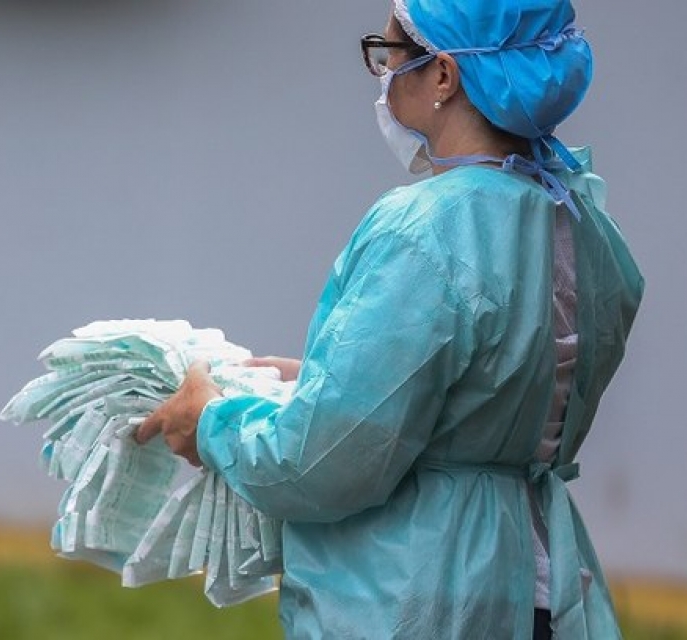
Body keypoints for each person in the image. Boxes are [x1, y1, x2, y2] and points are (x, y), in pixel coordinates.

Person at [136, 0, 643, 637]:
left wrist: (210, 422)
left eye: (392, 52)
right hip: (538, 582)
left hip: (419, 592)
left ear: (443, 77)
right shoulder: (583, 223)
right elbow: (507, 393)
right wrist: (327, 375)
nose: (383, 72)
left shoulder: (423, 230)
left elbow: (323, 460)